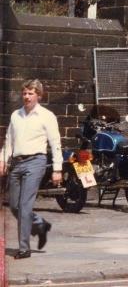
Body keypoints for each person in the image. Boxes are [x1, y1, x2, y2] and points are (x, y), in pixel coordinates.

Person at [1, 79, 62, 258]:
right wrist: (2, 160)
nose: (27, 97)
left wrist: (57, 169)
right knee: (13, 206)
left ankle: (24, 248)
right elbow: (9, 141)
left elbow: (55, 143)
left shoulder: (47, 116)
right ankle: (40, 224)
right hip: (17, 163)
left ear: (39, 96)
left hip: (36, 161)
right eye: (25, 93)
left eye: (31, 93)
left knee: (25, 206)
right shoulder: (15, 115)